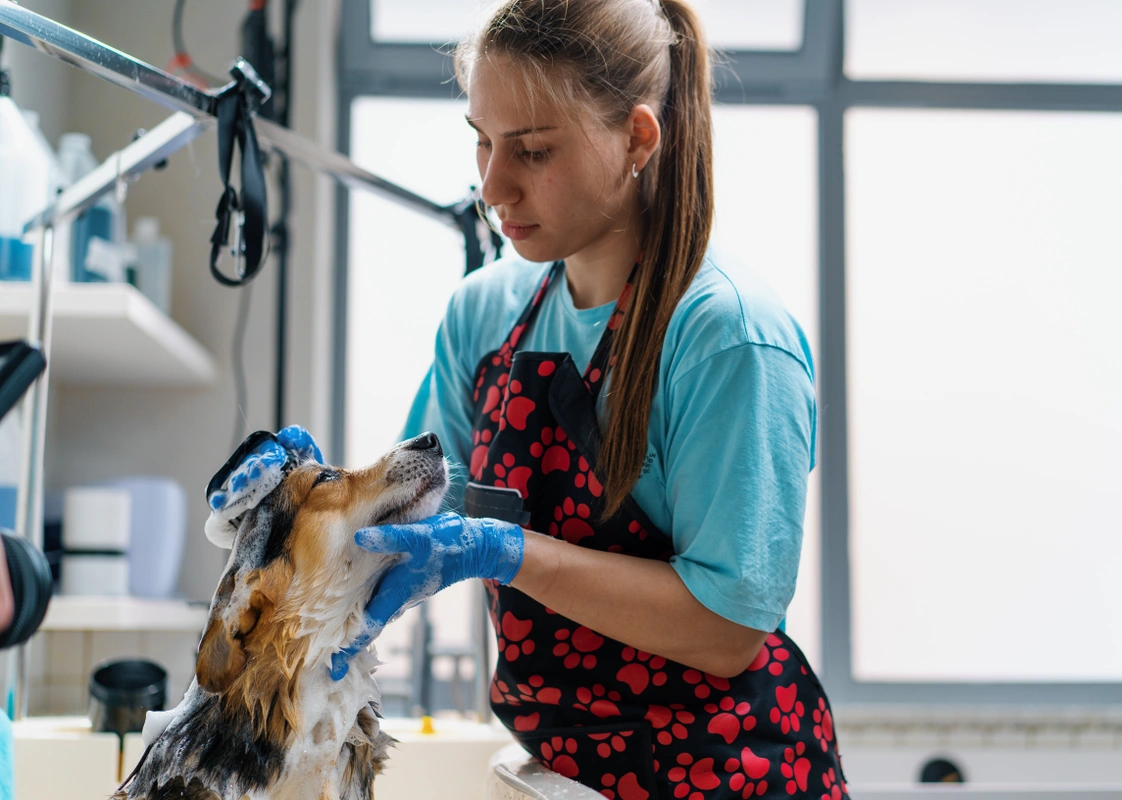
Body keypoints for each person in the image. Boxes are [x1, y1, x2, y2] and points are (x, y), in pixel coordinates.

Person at [332, 0, 850, 796]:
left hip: (725, 772)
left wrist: (509, 553)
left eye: (532, 151)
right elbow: (417, 512)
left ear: (637, 139)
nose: (492, 185)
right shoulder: (485, 314)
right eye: (481, 141)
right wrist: (310, 502)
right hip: (567, 773)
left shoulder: (728, 338)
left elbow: (726, 629)